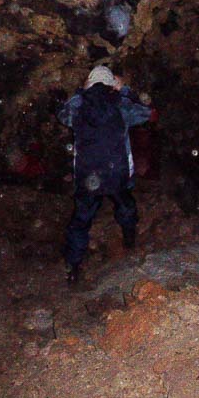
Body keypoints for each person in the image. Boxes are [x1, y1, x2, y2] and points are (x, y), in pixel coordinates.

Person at [58, 65, 152, 285]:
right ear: (111, 83)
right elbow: (145, 113)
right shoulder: (121, 104)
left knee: (81, 220)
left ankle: (73, 267)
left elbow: (62, 115)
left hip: (88, 177)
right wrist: (125, 90)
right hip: (116, 173)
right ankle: (129, 238)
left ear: (89, 83)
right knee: (125, 205)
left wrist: (81, 92)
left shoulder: (78, 106)